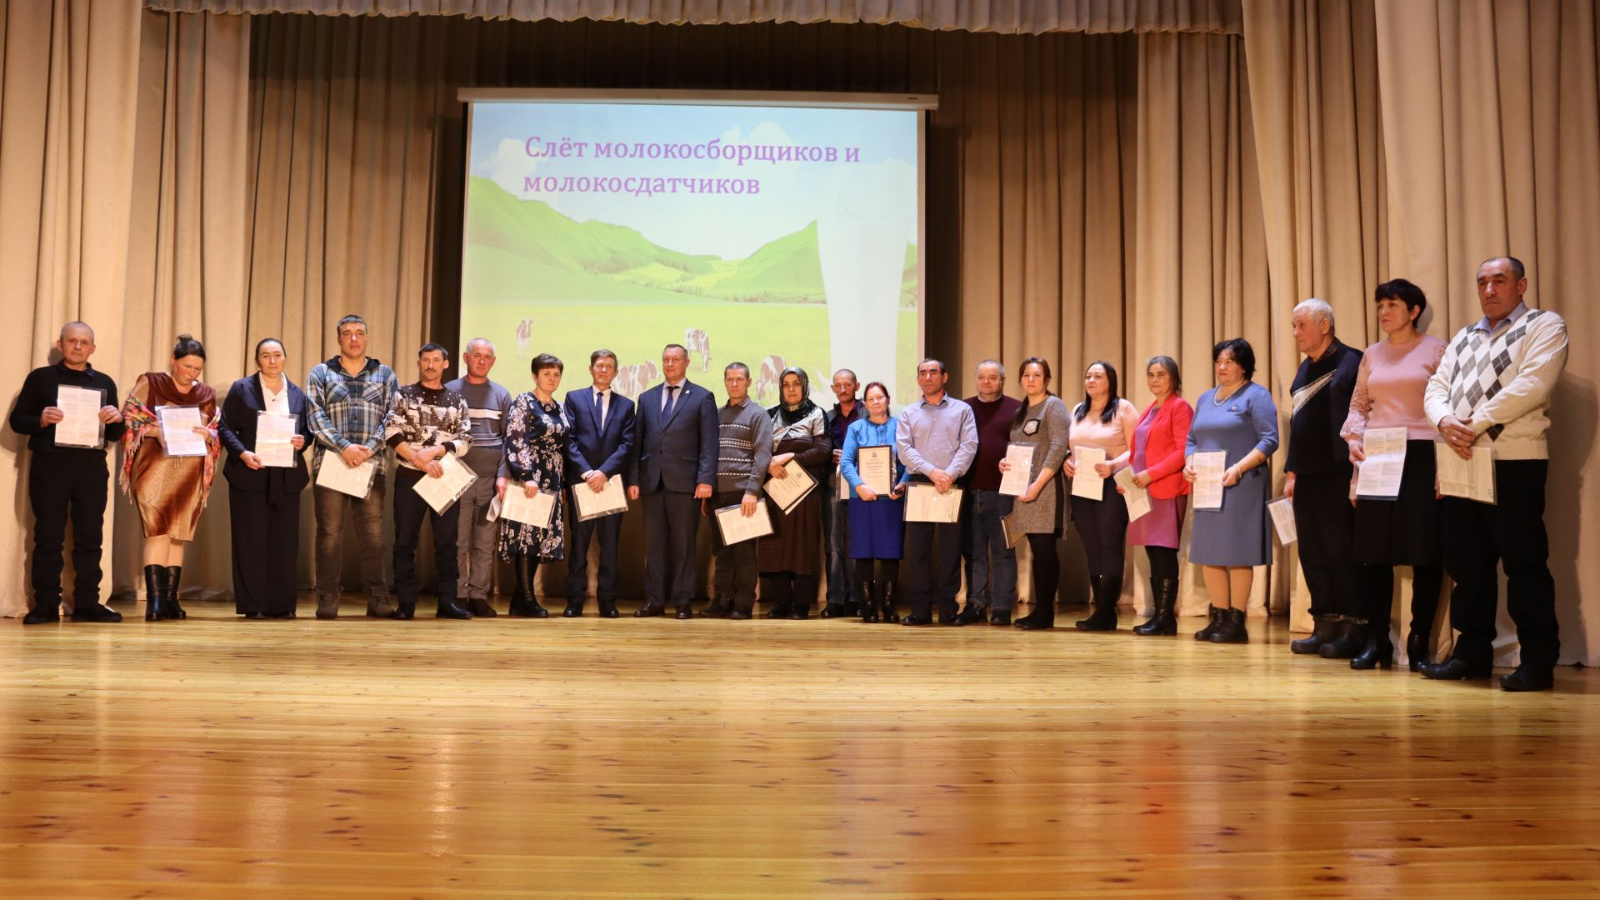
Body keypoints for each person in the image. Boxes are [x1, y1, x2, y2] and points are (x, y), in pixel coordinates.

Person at [1422, 256, 1568, 691]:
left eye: (1499, 281)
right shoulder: (1465, 335)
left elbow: (1532, 385)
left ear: (1521, 285)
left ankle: (1537, 661)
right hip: (1462, 458)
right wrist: (1444, 420)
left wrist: (1472, 424)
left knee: (1524, 564)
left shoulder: (1545, 325)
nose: (1489, 290)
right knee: (1467, 566)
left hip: (1514, 461)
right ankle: (1471, 654)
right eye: (1482, 282)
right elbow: (1436, 386)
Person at [1340, 279, 1447, 669]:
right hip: (1379, 453)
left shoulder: (1438, 349)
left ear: (1414, 311)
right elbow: (1359, 407)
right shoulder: (1371, 354)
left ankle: (1418, 641)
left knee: (1425, 551)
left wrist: (1445, 467)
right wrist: (1354, 442)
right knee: (1373, 554)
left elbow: (1448, 405)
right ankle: (1377, 640)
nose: (1384, 312)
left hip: (1422, 453)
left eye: (1393, 305)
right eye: (1380, 305)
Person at [10, 322, 126, 624]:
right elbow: (17, 421)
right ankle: (46, 606)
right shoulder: (40, 378)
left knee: (90, 537)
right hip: (51, 466)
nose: (77, 346)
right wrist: (40, 420)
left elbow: (115, 434)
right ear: (60, 345)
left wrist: (117, 419)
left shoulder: (104, 382)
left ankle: (87, 604)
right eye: (72, 341)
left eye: (84, 342)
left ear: (92, 348)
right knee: (48, 536)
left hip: (91, 468)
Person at [1183, 338, 1279, 644]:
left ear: (1244, 366)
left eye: (1229, 362)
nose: (1222, 367)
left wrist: (1238, 468)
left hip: (1241, 483)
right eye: (1218, 362)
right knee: (1209, 551)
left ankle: (1237, 621)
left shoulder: (1256, 395)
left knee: (1238, 552)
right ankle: (1219, 617)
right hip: (1208, 484)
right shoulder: (1205, 398)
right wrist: (1189, 463)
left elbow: (1269, 440)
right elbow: (1191, 439)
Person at [119, 334, 221, 621]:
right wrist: (156, 431)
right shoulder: (151, 382)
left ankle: (170, 600)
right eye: (187, 366)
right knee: (158, 530)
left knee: (178, 534)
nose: (192, 373)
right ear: (173, 360)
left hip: (190, 469)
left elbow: (216, 430)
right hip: (155, 466)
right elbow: (129, 418)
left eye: (197, 369)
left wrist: (208, 433)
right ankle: (153, 602)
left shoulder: (206, 393)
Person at [1284, 299, 1365, 656]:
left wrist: (1357, 474)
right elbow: (1298, 426)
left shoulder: (1352, 361)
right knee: (1313, 552)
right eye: (1294, 326)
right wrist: (1292, 471)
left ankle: (1354, 628)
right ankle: (1325, 624)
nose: (1296, 333)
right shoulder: (1304, 369)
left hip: (1339, 472)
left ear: (1324, 326)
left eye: (1301, 325)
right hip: (1307, 475)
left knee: (1341, 549)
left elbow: (1363, 417)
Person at [306, 315, 400, 619]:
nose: (354, 338)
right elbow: (315, 416)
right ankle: (327, 597)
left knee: (373, 535)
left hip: (371, 466)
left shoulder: (385, 374)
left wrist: (369, 448)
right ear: (339, 339)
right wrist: (343, 447)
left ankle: (378, 597)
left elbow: (393, 417)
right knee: (329, 534)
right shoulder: (321, 373)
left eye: (359, 333)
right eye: (347, 333)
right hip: (331, 463)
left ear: (367, 338)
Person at [218, 338, 313, 619]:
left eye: (277, 355)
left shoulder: (298, 394)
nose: (272, 360)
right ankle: (254, 605)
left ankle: (282, 605)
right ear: (257, 360)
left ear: (285, 358)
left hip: (286, 476)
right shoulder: (242, 388)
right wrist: (242, 453)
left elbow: (307, 431)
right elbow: (224, 427)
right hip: (251, 472)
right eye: (266, 355)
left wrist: (302, 441)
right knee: (250, 541)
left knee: (284, 542)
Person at [627, 343, 718, 619]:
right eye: (666, 359)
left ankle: (682, 600)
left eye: (675, 359)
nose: (669, 364)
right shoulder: (647, 398)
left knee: (683, 545)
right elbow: (637, 443)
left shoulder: (702, 397)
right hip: (652, 483)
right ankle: (654, 600)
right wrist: (634, 479)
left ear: (686, 363)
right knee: (653, 546)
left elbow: (709, 443)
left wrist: (705, 479)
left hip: (686, 484)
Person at [384, 342, 473, 620]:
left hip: (444, 477)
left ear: (446, 364)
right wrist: (419, 460)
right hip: (409, 477)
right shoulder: (403, 394)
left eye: (436, 360)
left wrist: (437, 451)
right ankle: (406, 603)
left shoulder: (457, 400)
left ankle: (447, 602)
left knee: (447, 543)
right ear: (419, 363)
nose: (431, 365)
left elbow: (466, 440)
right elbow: (391, 432)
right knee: (404, 542)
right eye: (426, 360)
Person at [895, 359, 978, 626]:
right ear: (918, 379)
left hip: (952, 483)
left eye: (933, 372)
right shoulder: (908, 413)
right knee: (918, 551)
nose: (928, 377)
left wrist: (949, 474)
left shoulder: (962, 410)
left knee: (950, 550)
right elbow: (904, 449)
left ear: (945, 377)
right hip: (920, 482)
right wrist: (933, 472)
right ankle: (919, 610)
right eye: (923, 373)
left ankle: (948, 609)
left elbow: (969, 445)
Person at [1064, 361, 1139, 632]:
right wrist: (1067, 460)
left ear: (1110, 381)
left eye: (1098, 376)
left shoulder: (1123, 408)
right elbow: (1071, 445)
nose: (1091, 380)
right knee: (1092, 546)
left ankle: (1107, 610)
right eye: (1088, 376)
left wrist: (1113, 465)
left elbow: (1136, 448)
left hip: (1111, 485)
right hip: (1083, 485)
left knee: (1109, 545)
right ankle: (1100, 609)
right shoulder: (1078, 410)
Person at [1122, 356, 1194, 636]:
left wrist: (1150, 474)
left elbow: (1182, 451)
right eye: (1151, 375)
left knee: (1164, 552)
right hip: (1144, 491)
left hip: (1165, 489)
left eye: (1161, 374)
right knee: (1153, 551)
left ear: (1173, 378)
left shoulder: (1179, 407)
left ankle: (1165, 618)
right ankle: (1160, 617)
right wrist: (1127, 480)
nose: (1154, 380)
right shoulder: (1150, 409)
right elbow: (1137, 451)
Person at [562, 349, 636, 619]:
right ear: (591, 369)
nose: (604, 370)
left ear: (615, 372)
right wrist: (587, 473)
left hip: (610, 484)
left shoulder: (626, 405)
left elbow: (627, 444)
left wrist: (603, 473)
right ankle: (575, 600)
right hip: (581, 483)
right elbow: (568, 440)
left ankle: (607, 601)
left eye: (609, 366)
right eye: (599, 365)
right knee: (579, 546)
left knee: (610, 547)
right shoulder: (574, 398)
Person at [498, 353, 571, 618]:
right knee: (525, 536)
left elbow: (563, 447)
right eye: (546, 373)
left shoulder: (559, 407)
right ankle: (528, 599)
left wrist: (562, 484)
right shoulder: (524, 402)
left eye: (556, 374)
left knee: (539, 537)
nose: (552, 379)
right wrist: (526, 475)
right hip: (530, 477)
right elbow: (515, 440)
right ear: (534, 376)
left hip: (553, 478)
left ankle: (519, 601)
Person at [1002, 358, 1073, 631]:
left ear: (1047, 380)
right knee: (1036, 550)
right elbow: (1018, 447)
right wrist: (1005, 463)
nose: (1031, 380)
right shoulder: (1021, 410)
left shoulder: (1054, 406)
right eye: (1026, 375)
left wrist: (1037, 485)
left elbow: (1058, 448)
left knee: (1045, 552)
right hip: (1023, 489)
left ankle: (1045, 613)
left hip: (1045, 489)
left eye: (1037, 375)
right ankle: (1040, 612)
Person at [445, 338, 513, 617]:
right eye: (476, 355)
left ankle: (478, 596)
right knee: (459, 541)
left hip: (490, 482)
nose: (481, 360)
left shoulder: (502, 394)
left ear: (493, 362)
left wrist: (503, 475)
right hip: (457, 479)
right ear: (466, 358)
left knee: (485, 543)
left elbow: (509, 441)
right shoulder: (450, 390)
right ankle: (459, 595)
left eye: (487, 356)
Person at [758, 367, 831, 619]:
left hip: (805, 494)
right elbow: (759, 451)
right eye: (786, 384)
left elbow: (823, 451)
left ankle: (801, 604)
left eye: (796, 384)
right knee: (775, 546)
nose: (791, 389)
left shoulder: (817, 414)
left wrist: (789, 456)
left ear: (805, 386)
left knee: (803, 546)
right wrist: (768, 464)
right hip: (775, 491)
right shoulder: (769, 415)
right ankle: (781, 602)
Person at [706, 362, 773, 619]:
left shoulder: (758, 415)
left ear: (749, 382)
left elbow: (762, 455)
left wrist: (751, 492)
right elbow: (708, 454)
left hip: (743, 494)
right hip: (717, 493)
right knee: (722, 553)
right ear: (725, 382)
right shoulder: (716, 415)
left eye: (739, 379)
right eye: (730, 379)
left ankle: (743, 604)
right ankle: (722, 600)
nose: (734, 384)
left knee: (744, 553)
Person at [960, 360, 1023, 625]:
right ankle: (976, 605)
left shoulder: (1017, 409)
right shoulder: (963, 408)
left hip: (1003, 494)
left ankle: (1001, 608)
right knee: (973, 553)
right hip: (968, 492)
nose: (986, 382)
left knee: (1003, 552)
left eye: (992, 377)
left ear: (1002, 381)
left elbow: (1025, 447)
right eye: (982, 377)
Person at [840, 381, 906, 623]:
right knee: (863, 551)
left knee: (890, 551)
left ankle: (888, 604)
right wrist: (860, 486)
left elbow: (910, 460)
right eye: (871, 399)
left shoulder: (900, 426)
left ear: (887, 399)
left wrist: (903, 483)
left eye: (880, 397)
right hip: (862, 498)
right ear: (865, 404)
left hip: (892, 497)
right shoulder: (856, 428)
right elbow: (846, 462)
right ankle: (867, 604)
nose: (876, 402)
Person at [820, 369, 865, 618]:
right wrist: (829, 455)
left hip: (862, 485)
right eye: (838, 385)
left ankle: (857, 598)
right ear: (832, 389)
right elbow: (818, 448)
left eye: (848, 384)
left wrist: (851, 456)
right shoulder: (826, 417)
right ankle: (835, 599)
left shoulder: (868, 413)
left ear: (856, 386)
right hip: (833, 484)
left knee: (856, 543)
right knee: (834, 545)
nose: (843, 389)